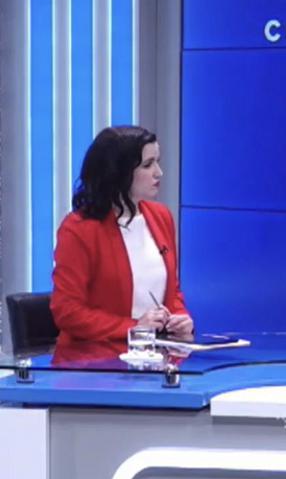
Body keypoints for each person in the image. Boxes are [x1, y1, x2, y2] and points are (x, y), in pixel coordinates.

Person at [51, 126, 193, 363]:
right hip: (93, 364)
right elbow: (67, 311)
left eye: (157, 162)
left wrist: (179, 317)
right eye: (147, 165)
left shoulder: (161, 217)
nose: (159, 173)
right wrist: (133, 327)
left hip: (155, 360)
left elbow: (171, 291)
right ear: (119, 172)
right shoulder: (78, 229)